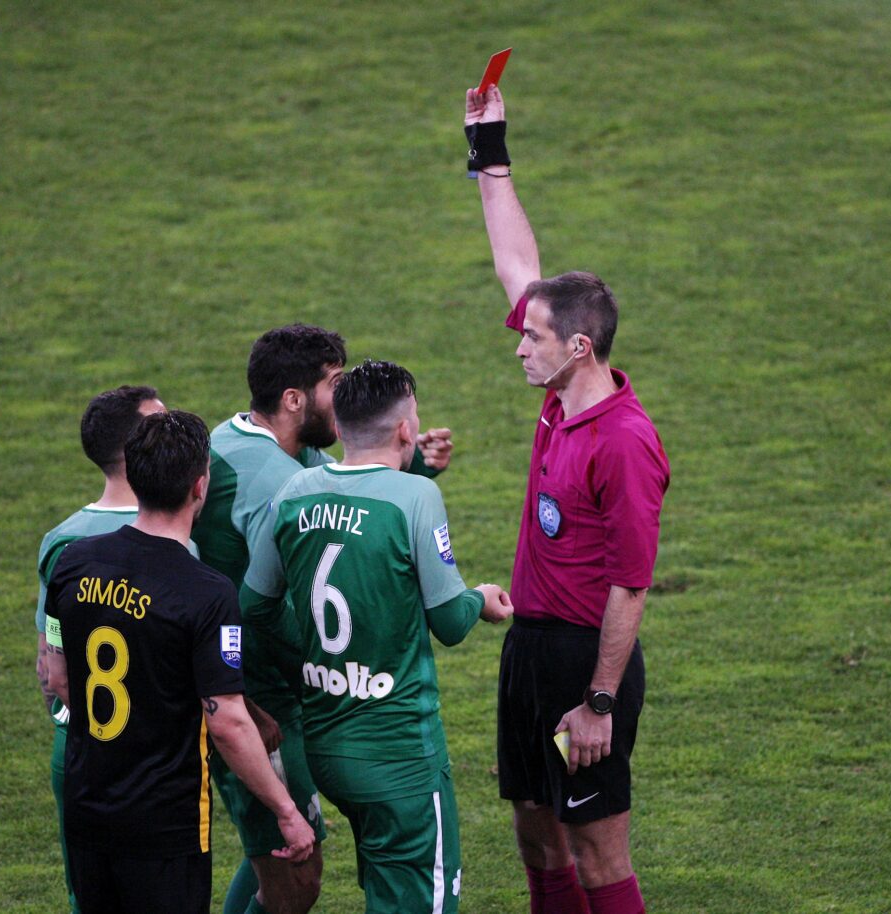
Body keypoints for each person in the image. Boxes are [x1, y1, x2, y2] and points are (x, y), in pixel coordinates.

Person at [466, 84, 671, 914]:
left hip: (585, 663)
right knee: (536, 830)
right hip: (530, 647)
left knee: (595, 850)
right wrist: (490, 151)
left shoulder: (623, 442)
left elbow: (631, 585)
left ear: (579, 346)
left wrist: (598, 702)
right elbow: (517, 264)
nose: (520, 344)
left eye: (534, 337)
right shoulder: (562, 398)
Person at [193, 324, 454, 914]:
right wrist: (332, 664)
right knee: (293, 875)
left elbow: (346, 487)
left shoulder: (250, 442)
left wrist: (410, 464)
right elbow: (270, 600)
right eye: (334, 383)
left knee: (278, 857)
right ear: (293, 399)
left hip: (261, 685)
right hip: (251, 696)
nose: (346, 394)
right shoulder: (275, 481)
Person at [241, 359, 514, 914]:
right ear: (406, 431)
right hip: (398, 756)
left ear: (340, 427)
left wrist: (311, 654)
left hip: (326, 747)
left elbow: (255, 603)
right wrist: (479, 598)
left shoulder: (294, 491)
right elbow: (449, 622)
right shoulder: (415, 496)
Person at [44, 410, 315, 914]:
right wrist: (286, 810)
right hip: (164, 824)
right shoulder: (206, 592)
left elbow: (56, 673)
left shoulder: (73, 562)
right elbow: (227, 721)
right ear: (199, 486)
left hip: (87, 809)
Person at [32, 384, 166, 913]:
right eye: (161, 424)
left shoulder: (61, 539)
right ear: (136, 449)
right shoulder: (176, 538)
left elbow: (50, 667)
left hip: (78, 749)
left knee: (90, 897)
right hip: (156, 760)